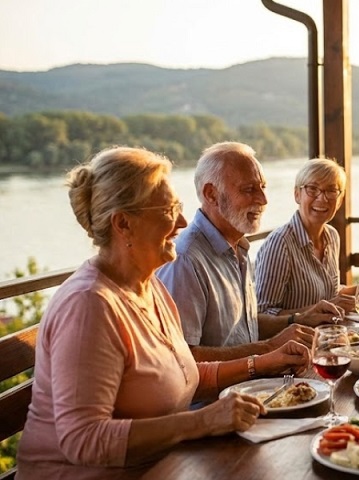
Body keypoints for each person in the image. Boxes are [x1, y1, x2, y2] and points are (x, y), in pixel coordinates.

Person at [17, 147, 309, 479]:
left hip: (166, 464)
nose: (183, 222)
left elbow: (183, 374)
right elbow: (83, 440)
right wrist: (202, 421)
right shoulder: (88, 305)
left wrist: (260, 362)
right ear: (124, 223)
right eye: (169, 209)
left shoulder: (148, 284)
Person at [157, 143, 341, 362]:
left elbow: (245, 328)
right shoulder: (186, 260)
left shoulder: (238, 248)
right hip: (221, 395)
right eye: (249, 189)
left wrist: (297, 320)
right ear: (211, 194)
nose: (264, 199)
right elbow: (182, 361)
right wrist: (269, 348)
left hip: (253, 384)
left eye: (262, 187)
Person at [254, 158, 356, 316]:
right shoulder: (280, 243)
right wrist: (313, 312)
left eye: (331, 190)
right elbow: (262, 315)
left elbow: (328, 294)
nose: (322, 198)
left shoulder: (332, 236)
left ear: (340, 200)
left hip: (329, 336)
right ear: (297, 195)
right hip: (293, 340)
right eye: (312, 189)